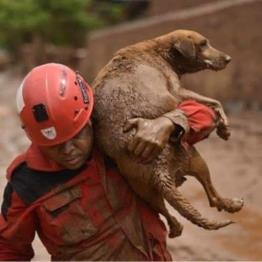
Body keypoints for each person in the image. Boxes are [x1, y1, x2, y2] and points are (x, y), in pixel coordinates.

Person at [0, 63, 219, 261]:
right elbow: (9, 250)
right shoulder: (26, 185)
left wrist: (169, 122)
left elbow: (208, 114)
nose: (69, 151)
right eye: (55, 145)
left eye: (76, 136)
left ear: (89, 118)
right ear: (32, 136)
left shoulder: (118, 133)